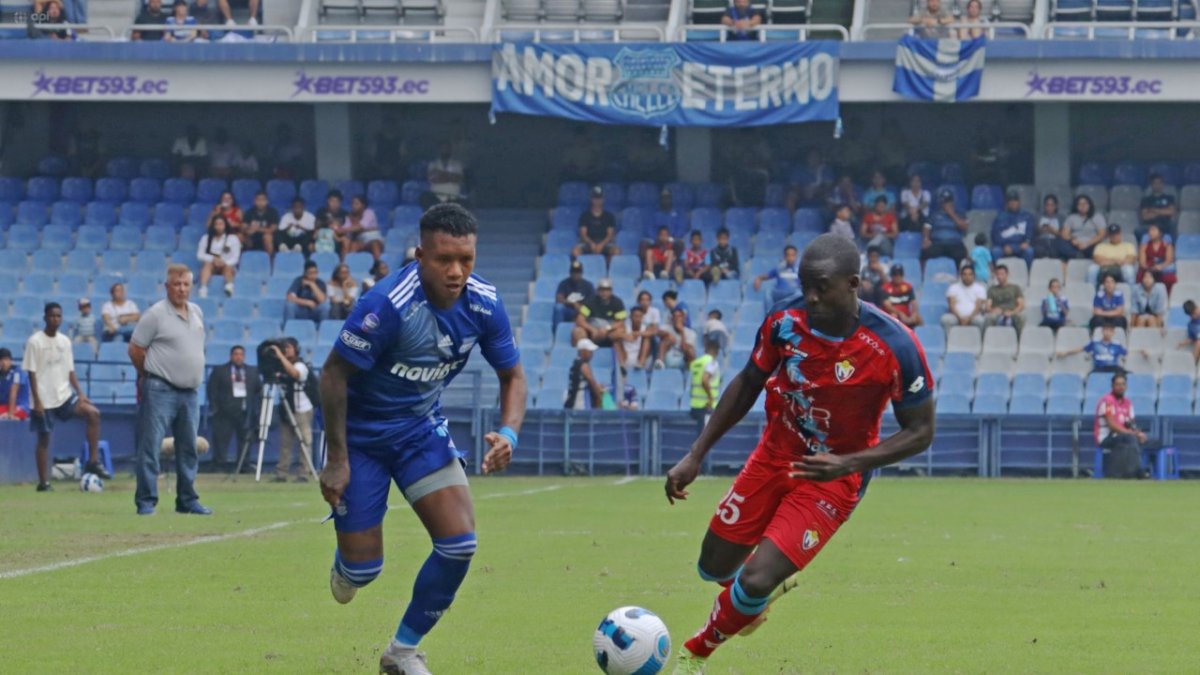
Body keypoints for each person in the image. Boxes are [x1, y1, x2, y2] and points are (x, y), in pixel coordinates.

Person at [665, 233, 934, 673]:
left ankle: (696, 651)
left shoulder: (896, 346)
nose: (810, 296)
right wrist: (696, 453)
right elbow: (749, 382)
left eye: (821, 286)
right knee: (712, 563)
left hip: (834, 478)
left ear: (853, 283)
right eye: (805, 284)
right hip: (775, 455)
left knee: (755, 576)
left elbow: (921, 432)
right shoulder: (784, 319)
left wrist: (848, 463)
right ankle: (748, 604)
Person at [318, 203, 526, 674]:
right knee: (362, 574)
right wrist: (336, 459)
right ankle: (348, 561)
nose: (456, 272)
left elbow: (513, 375)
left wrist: (509, 431)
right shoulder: (387, 305)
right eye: (443, 260)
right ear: (419, 256)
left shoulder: (484, 303)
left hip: (419, 430)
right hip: (361, 438)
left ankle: (402, 653)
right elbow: (332, 376)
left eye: (466, 260)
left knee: (459, 544)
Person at [128, 265, 209, 515]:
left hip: (190, 391)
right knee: (150, 446)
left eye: (186, 284)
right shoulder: (155, 315)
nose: (181, 289)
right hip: (161, 388)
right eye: (177, 284)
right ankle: (146, 501)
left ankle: (187, 500)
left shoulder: (196, 312)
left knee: (188, 448)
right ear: (167, 286)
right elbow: (135, 350)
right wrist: (149, 375)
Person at [26, 303, 110, 492]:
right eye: (52, 316)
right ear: (45, 318)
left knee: (93, 414)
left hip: (64, 395)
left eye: (58, 316)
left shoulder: (65, 341)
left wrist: (80, 393)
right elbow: (31, 372)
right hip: (44, 398)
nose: (55, 319)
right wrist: (37, 400)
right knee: (44, 439)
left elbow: (69, 370)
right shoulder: (35, 342)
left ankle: (93, 462)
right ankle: (43, 483)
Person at [1095, 372, 1160, 479]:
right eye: (1118, 384)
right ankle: (1138, 472)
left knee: (1152, 440)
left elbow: (1131, 424)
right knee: (1130, 438)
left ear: (1126, 386)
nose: (1121, 387)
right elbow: (1112, 425)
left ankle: (1152, 474)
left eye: (1123, 384)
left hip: (1126, 437)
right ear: (1112, 386)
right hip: (1107, 438)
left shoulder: (1128, 403)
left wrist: (1139, 434)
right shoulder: (1107, 401)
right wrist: (1131, 433)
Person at [269, 338, 316, 483]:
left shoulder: (301, 365)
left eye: (288, 347)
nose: (285, 350)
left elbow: (295, 374)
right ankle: (281, 473)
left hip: (301, 408)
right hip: (286, 407)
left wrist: (281, 357)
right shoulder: (280, 365)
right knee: (285, 443)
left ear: (296, 349)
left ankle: (303, 472)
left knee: (304, 441)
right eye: (283, 348)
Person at [206, 345, 260, 470]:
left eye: (241, 354)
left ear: (244, 356)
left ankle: (243, 465)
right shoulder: (220, 371)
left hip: (244, 411)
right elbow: (212, 390)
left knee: (245, 439)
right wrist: (215, 408)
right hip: (224, 412)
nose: (238, 357)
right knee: (221, 440)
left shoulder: (252, 372)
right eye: (236, 354)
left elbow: (258, 390)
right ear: (231, 356)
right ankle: (219, 465)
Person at [572, 278, 629, 371]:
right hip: (592, 333)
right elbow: (580, 319)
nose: (604, 292)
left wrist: (607, 329)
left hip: (608, 333)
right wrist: (592, 329)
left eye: (607, 290)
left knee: (620, 333)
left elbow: (621, 322)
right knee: (577, 331)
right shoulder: (590, 301)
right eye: (602, 290)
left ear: (611, 291)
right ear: (598, 290)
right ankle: (580, 362)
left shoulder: (617, 302)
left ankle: (621, 366)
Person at [196, 214, 242, 298]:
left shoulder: (233, 238)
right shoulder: (206, 238)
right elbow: (200, 254)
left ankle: (229, 287)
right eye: (216, 224)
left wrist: (224, 262)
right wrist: (213, 259)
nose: (218, 227)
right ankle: (203, 288)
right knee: (207, 265)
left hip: (227, 264)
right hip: (212, 264)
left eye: (221, 224)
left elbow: (236, 257)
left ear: (225, 225)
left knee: (228, 267)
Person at [1059, 323, 1128, 374]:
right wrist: (1066, 352)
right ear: (1102, 331)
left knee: (1128, 375)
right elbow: (1081, 349)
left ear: (1113, 333)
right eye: (1106, 330)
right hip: (1100, 367)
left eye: (1110, 331)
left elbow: (1127, 352)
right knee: (1090, 377)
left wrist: (1138, 351)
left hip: (1113, 367)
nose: (1108, 333)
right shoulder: (1095, 343)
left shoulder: (1116, 344)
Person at [921, 189, 968, 263]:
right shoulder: (934, 214)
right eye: (944, 202)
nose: (946, 204)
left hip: (954, 244)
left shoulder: (960, 213)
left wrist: (952, 214)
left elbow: (964, 226)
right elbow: (927, 227)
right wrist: (926, 238)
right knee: (925, 252)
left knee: (961, 253)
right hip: (937, 243)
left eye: (948, 201)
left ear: (952, 202)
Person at [573, 186, 619, 261]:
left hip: (604, 243)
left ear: (603, 199)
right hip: (588, 243)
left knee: (617, 251)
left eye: (599, 198)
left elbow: (610, 235)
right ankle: (583, 269)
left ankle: (608, 270)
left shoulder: (609, 216)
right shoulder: (585, 216)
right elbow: (583, 234)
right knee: (575, 251)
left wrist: (601, 245)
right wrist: (591, 244)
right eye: (595, 198)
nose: (597, 201)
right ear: (591, 199)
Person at [688, 336, 722, 436]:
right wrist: (711, 398)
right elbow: (704, 380)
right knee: (704, 438)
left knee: (699, 437)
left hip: (694, 405)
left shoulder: (696, 363)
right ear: (717, 351)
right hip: (706, 407)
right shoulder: (712, 363)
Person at [991, 189, 1035, 265]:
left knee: (1029, 251)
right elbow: (995, 235)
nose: (1013, 204)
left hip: (1020, 246)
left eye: (1015, 202)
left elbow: (1030, 234)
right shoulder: (1000, 217)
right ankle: (997, 274)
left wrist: (1022, 245)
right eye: (1011, 202)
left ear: (1019, 202)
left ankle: (1028, 274)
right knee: (996, 251)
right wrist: (1004, 246)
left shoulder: (1026, 216)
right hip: (1004, 246)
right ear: (1007, 203)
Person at [941, 263, 988, 331]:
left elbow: (978, 307)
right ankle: (949, 341)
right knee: (946, 319)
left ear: (974, 276)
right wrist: (960, 318)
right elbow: (951, 306)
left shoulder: (980, 288)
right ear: (961, 276)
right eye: (965, 274)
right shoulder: (953, 287)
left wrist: (968, 319)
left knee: (980, 321)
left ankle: (978, 340)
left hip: (974, 316)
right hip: (956, 316)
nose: (967, 277)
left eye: (970, 274)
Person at [336, 195, 385, 261]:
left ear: (363, 205)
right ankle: (345, 265)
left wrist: (344, 230)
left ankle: (379, 265)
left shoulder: (369, 212)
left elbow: (361, 227)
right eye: (352, 203)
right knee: (352, 246)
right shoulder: (350, 216)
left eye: (356, 204)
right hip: (361, 241)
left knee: (374, 244)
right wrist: (338, 228)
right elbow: (346, 228)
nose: (353, 206)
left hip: (374, 239)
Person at [753, 245, 801, 311]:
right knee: (768, 292)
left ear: (796, 256)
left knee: (799, 293)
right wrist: (758, 278)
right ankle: (770, 315)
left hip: (793, 293)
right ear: (784, 256)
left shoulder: (801, 268)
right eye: (788, 255)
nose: (790, 258)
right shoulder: (779, 268)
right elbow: (765, 276)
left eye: (792, 255)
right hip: (779, 293)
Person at [1061, 194, 1107, 260]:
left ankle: (1080, 254)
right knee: (1061, 245)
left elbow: (1102, 234)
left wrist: (1087, 243)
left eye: (1085, 203)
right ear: (1076, 206)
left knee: (1098, 249)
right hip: (1075, 243)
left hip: (1091, 243)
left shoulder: (1097, 217)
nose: (1083, 206)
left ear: (1089, 205)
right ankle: (1076, 255)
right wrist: (1073, 240)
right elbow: (1064, 234)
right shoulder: (1071, 217)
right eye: (1080, 204)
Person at [564, 338, 605, 410]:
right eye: (590, 351)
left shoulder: (576, 362)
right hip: (579, 399)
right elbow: (592, 382)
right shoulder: (583, 365)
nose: (592, 354)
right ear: (582, 351)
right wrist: (599, 397)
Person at [985, 264, 1026, 333]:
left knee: (1021, 318)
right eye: (997, 274)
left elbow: (1021, 305)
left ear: (1007, 274)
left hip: (1012, 311)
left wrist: (1012, 312)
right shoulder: (992, 289)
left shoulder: (1015, 288)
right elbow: (987, 306)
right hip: (997, 312)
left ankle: (1020, 340)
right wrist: (993, 310)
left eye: (1002, 274)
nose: (999, 276)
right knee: (989, 318)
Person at [424, 141, 465, 208]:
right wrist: (450, 176)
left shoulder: (457, 165)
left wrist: (439, 174)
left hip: (453, 198)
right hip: (436, 198)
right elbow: (433, 179)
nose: (445, 150)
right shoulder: (433, 164)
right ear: (439, 150)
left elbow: (458, 179)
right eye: (443, 148)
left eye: (447, 148)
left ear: (450, 150)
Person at [881, 263, 923, 328]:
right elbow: (887, 306)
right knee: (894, 316)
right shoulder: (886, 288)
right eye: (895, 274)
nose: (898, 277)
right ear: (891, 276)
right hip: (893, 314)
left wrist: (914, 314)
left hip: (906, 315)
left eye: (900, 274)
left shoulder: (907, 287)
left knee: (919, 319)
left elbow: (914, 303)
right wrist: (900, 313)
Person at [554, 260, 594, 326]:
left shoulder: (588, 285)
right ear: (570, 272)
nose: (576, 274)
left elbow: (593, 301)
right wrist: (573, 304)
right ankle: (557, 331)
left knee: (589, 311)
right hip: (568, 309)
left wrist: (582, 307)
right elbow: (559, 299)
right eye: (574, 272)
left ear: (582, 273)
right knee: (558, 308)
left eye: (578, 272)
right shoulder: (564, 283)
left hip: (582, 310)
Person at [1137, 223, 1177, 290]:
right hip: (1149, 269)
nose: (1150, 232)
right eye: (1149, 231)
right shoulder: (1144, 245)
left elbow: (1169, 260)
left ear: (1160, 233)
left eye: (1153, 230)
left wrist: (1160, 267)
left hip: (1162, 269)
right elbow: (1142, 262)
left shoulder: (1167, 245)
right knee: (1140, 276)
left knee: (1170, 278)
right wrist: (1149, 269)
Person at [656, 307, 697, 371]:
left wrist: (682, 332)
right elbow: (657, 332)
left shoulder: (691, 333)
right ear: (672, 319)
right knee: (666, 339)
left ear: (684, 319)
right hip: (668, 356)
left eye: (679, 316)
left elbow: (684, 348)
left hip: (682, 359)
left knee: (690, 350)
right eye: (675, 316)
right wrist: (667, 334)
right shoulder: (666, 327)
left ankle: (692, 371)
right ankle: (659, 363)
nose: (677, 318)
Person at [1138, 173, 1177, 241]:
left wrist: (1153, 210)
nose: (1157, 185)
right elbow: (1145, 217)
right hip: (1150, 225)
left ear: (1162, 184)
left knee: (1172, 225)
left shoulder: (1169, 198)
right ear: (1151, 185)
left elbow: (1171, 212)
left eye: (1159, 183)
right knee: (1138, 230)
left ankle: (1173, 247)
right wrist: (1163, 211)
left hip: (1165, 225)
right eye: (1155, 183)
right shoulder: (1145, 200)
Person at [241, 191, 278, 255]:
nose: (260, 202)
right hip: (252, 238)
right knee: (241, 237)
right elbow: (243, 227)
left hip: (266, 239)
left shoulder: (272, 212)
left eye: (263, 200)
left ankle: (270, 262)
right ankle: (241, 261)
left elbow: (272, 229)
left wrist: (257, 229)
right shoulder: (249, 212)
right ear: (254, 201)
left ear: (267, 201)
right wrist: (248, 231)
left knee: (267, 237)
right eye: (258, 200)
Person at [0, 347, 31, 421]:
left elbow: (13, 392)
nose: (4, 363)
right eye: (1, 360)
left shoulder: (18, 372)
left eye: (6, 359)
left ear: (11, 360)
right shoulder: (1, 374)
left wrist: (10, 414)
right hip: (5, 406)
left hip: (21, 407)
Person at [620, 306, 654, 372]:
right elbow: (611, 336)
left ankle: (641, 363)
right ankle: (622, 365)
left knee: (647, 338)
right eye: (635, 316)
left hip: (640, 357)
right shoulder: (624, 327)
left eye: (640, 316)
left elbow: (654, 332)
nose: (638, 319)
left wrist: (638, 333)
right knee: (616, 340)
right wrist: (623, 336)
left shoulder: (645, 328)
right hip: (626, 356)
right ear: (630, 317)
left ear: (643, 317)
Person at [1033, 194, 1063, 260]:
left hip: (1055, 241)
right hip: (1041, 241)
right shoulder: (1038, 216)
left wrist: (1053, 231)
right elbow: (1034, 232)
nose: (1049, 207)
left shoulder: (1060, 218)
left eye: (1052, 205)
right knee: (1038, 250)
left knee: (1057, 250)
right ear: (1044, 206)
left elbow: (1063, 235)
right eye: (1047, 205)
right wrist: (1041, 230)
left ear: (1056, 206)